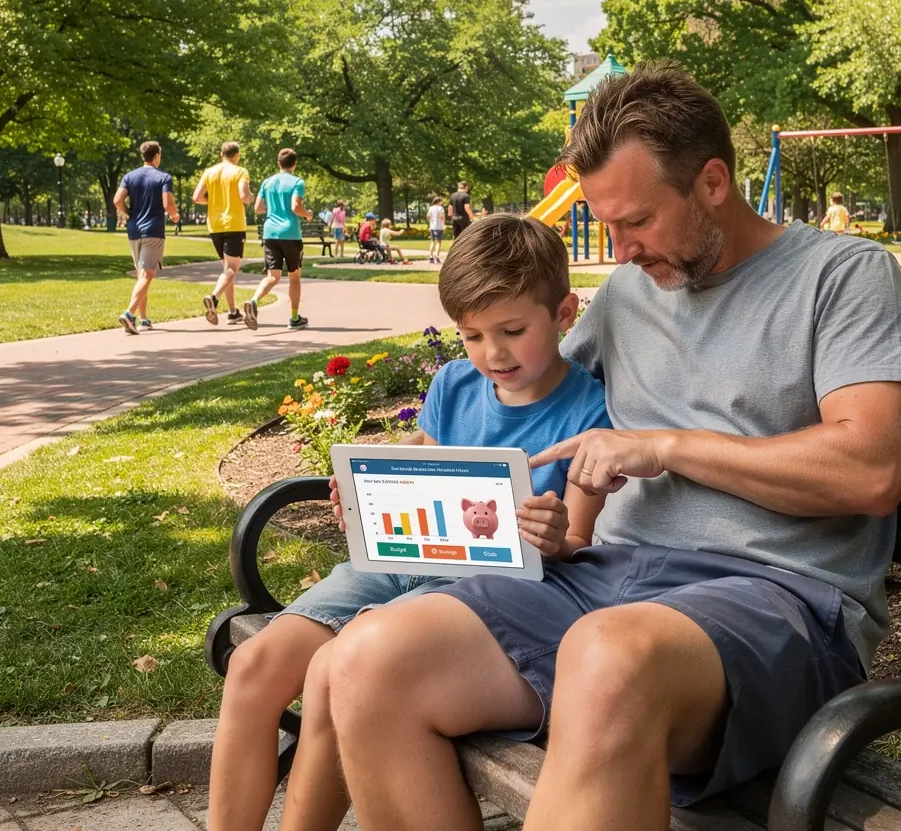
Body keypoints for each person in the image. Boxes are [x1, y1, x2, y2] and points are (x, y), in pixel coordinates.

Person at [300, 62, 901, 831]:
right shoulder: (633, 295)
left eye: (635, 221)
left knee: (606, 656)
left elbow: (871, 471)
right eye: (606, 225)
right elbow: (523, 389)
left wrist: (665, 445)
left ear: (711, 183)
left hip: (780, 600)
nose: (621, 249)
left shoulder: (845, 277)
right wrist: (403, 485)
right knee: (367, 658)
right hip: (606, 581)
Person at [209, 214, 611, 831]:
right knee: (253, 666)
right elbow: (420, 467)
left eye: (511, 330)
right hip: (396, 566)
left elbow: (579, 542)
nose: (491, 354)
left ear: (562, 314)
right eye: (472, 335)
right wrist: (367, 499)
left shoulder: (587, 411)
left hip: (474, 597)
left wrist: (555, 536)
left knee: (328, 678)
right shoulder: (453, 383)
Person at [113, 141, 180, 334]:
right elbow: (168, 204)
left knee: (142, 275)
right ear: (157, 156)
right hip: (153, 231)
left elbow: (117, 200)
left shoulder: (129, 176)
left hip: (134, 231)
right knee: (148, 275)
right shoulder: (163, 177)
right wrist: (175, 216)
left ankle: (144, 319)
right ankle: (129, 314)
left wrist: (129, 214)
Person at [245, 148, 312, 332]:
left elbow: (258, 208)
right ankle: (294, 317)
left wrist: (274, 210)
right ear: (295, 163)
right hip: (290, 233)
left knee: (272, 276)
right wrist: (307, 214)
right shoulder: (297, 182)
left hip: (270, 233)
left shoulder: (267, 182)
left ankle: (253, 301)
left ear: (278, 163)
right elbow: (295, 207)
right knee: (295, 276)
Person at [193, 142, 253, 325]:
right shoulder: (240, 172)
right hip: (234, 224)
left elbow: (196, 197)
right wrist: (251, 198)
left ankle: (233, 311)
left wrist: (211, 202)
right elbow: (244, 196)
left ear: (221, 155)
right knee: (231, 270)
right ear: (237, 155)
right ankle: (214, 297)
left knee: (227, 270)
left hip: (215, 225)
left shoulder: (209, 172)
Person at [427, 195, 445, 263]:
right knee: (439, 242)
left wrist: (432, 220)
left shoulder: (431, 208)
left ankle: (431, 257)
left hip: (432, 226)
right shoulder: (441, 208)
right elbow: (442, 216)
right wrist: (443, 223)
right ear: (439, 201)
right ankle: (437, 256)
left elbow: (428, 216)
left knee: (432, 241)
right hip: (439, 226)